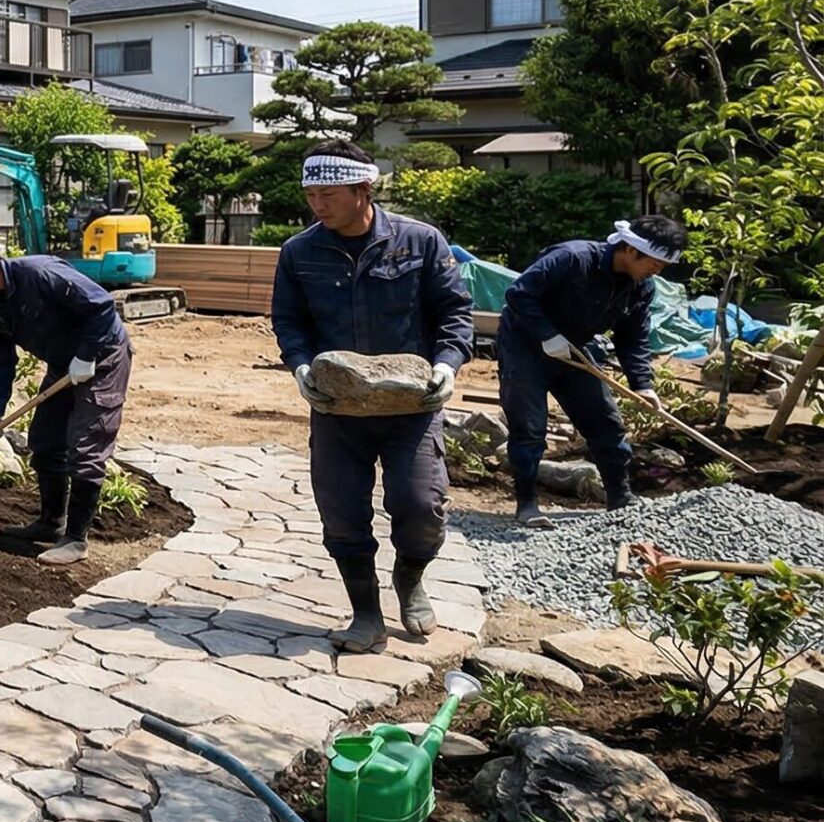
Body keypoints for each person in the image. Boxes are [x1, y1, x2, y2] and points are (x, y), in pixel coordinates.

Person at [270, 138, 474, 654]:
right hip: (337, 408)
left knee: (420, 504)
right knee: (340, 511)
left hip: (412, 407)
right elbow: (289, 321)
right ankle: (365, 612)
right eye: (310, 194)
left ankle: (410, 578)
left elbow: (455, 312)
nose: (318, 204)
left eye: (328, 193)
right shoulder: (299, 252)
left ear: (364, 189)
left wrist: (448, 365)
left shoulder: (420, 242)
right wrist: (298, 365)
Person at [0, 226, 131, 565]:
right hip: (63, 365)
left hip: (102, 359)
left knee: (86, 444)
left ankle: (76, 540)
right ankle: (51, 523)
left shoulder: (40, 274)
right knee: (45, 440)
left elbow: (101, 306)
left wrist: (86, 355)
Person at [497, 215, 686, 530]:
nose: (657, 271)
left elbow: (633, 338)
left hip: (576, 351)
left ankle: (620, 497)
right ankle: (527, 503)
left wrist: (643, 385)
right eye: (655, 263)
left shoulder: (640, 289)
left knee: (606, 423)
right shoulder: (572, 258)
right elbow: (519, 293)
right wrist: (546, 334)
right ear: (630, 250)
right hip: (524, 348)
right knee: (529, 428)